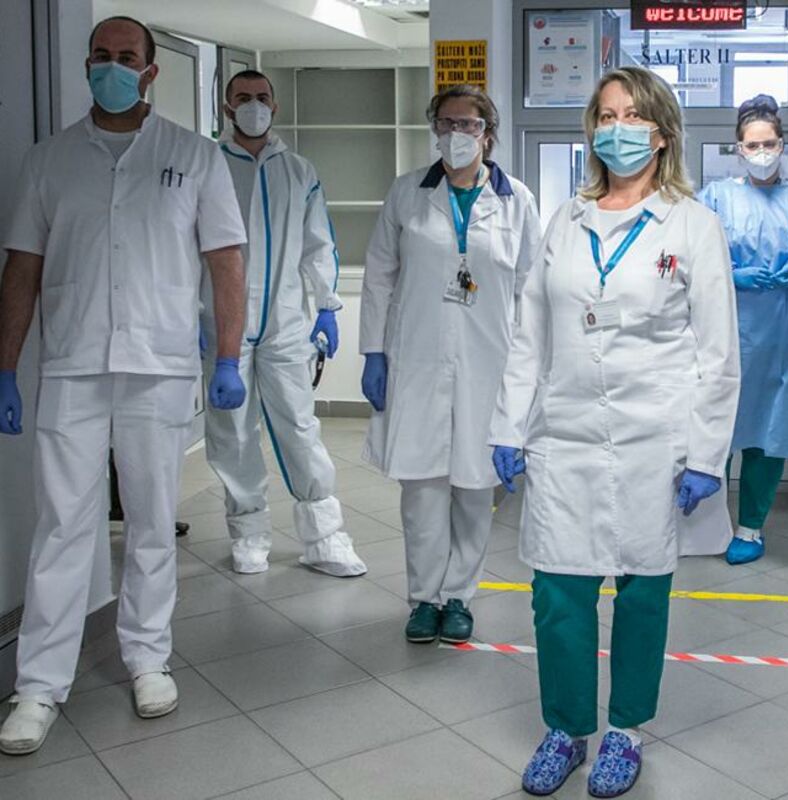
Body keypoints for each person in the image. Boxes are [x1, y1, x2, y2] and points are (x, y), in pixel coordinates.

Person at [0, 16, 248, 755]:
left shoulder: (193, 156)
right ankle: (38, 686)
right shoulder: (49, 161)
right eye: (101, 56)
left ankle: (147, 658)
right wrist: (5, 366)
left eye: (126, 57)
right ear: (87, 65)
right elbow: (22, 268)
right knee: (62, 527)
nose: (113, 66)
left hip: (158, 365)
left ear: (150, 70)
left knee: (149, 521)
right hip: (72, 366)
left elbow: (226, 262)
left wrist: (227, 357)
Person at [490, 67, 739, 798]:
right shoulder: (565, 220)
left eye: (632, 116)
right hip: (564, 432)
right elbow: (529, 333)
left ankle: (626, 732)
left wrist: (707, 454)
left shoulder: (691, 225)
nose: (616, 128)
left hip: (653, 437)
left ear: (661, 134)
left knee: (641, 593)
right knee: (557, 591)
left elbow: (718, 351)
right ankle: (566, 730)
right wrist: (508, 424)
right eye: (605, 115)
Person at [360, 85, 540, 645]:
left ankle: (459, 595)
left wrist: (529, 377)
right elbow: (379, 275)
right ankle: (424, 599)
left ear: (488, 134)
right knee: (422, 490)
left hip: (490, 364)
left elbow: (531, 292)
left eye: (468, 124)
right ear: (434, 129)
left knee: (474, 487)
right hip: (416, 359)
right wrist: (373, 352)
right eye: (446, 123)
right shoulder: (407, 192)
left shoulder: (517, 201)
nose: (456, 134)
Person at [200, 69, 366, 577]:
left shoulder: (298, 170)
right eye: (243, 97)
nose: (253, 105)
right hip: (223, 323)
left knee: (299, 425)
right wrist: (191, 314)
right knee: (232, 432)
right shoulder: (206, 165)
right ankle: (248, 532)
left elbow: (319, 243)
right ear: (227, 108)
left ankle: (325, 537)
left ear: (274, 106)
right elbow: (182, 245)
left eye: (261, 97)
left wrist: (327, 306)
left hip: (287, 322)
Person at [698, 94, 788, 565]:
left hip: (787, 335)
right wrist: (732, 274)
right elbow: (693, 256)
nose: (762, 153)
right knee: (716, 428)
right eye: (753, 145)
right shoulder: (715, 199)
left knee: (768, 431)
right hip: (727, 332)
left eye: (770, 144)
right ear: (738, 149)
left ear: (782, 145)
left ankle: (750, 527)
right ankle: (706, 524)